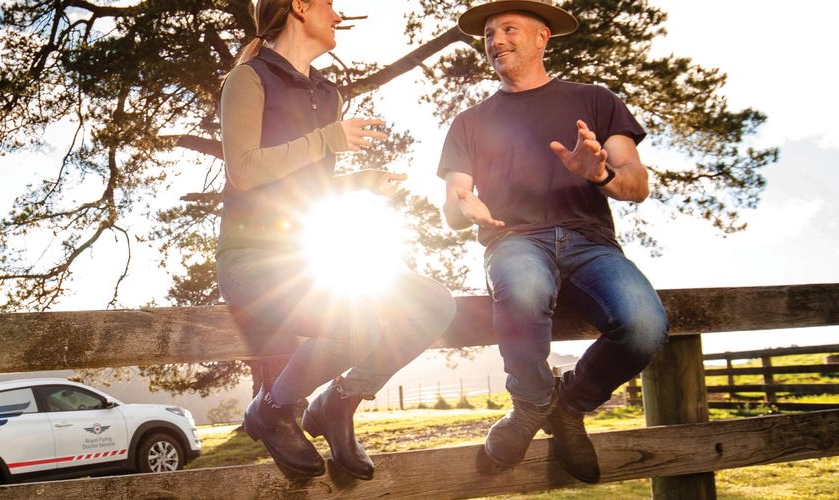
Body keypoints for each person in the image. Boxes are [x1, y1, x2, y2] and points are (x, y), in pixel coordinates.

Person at [218, 0, 458, 480]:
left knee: (434, 303)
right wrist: (328, 140)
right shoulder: (249, 78)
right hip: (251, 260)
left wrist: (358, 182)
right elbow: (242, 172)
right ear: (300, 7)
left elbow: (305, 188)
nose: (339, 12)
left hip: (308, 259)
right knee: (358, 321)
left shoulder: (327, 94)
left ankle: (339, 403)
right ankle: (274, 408)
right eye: (329, 2)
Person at [436, 0, 669, 484]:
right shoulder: (468, 123)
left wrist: (600, 172)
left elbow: (637, 185)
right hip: (515, 240)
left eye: (509, 29)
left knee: (645, 326)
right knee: (522, 289)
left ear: (543, 37)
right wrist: (465, 207)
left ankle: (571, 405)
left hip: (591, 243)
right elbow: (452, 206)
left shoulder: (596, 100)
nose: (496, 40)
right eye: (489, 34)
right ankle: (530, 405)